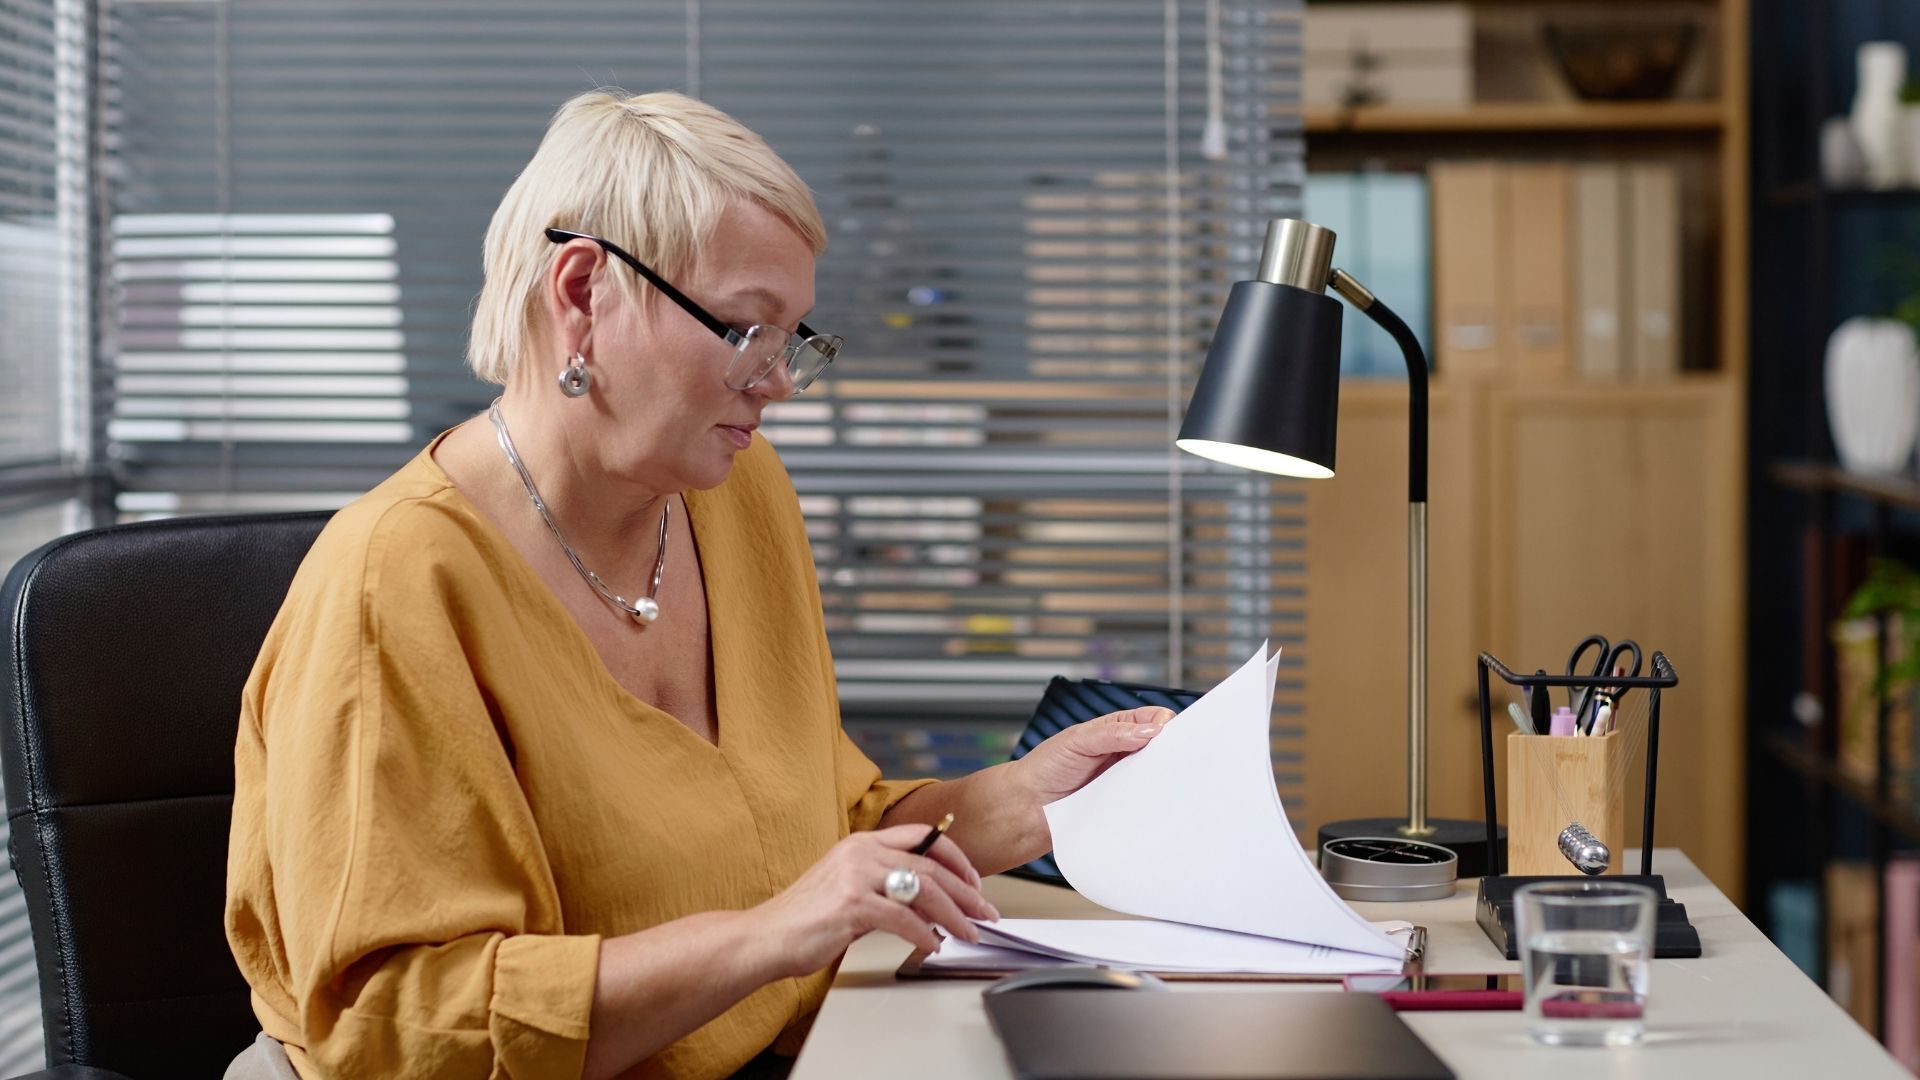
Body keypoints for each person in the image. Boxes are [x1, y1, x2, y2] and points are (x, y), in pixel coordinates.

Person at [223, 88, 1174, 1080]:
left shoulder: (734, 491)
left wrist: (1025, 799)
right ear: (585, 291)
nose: (776, 383)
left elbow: (810, 842)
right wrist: (770, 936)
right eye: (742, 329)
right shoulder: (393, 583)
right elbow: (396, 1030)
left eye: (794, 338)